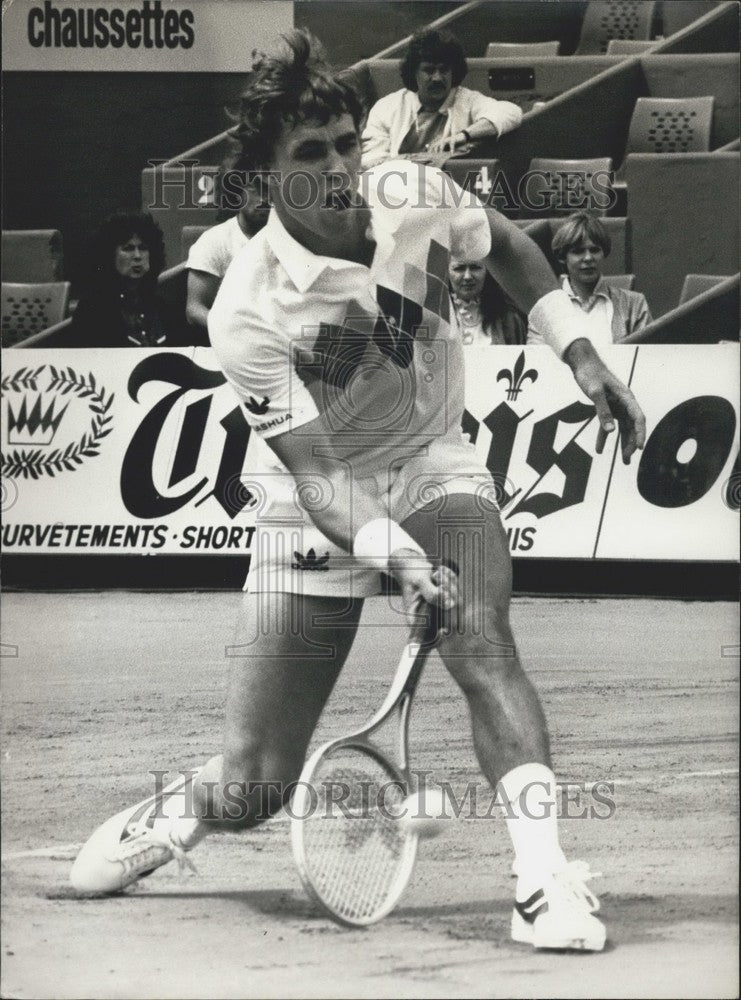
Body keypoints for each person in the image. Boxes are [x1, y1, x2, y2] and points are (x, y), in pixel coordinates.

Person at [71, 31, 646, 953]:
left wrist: (580, 354)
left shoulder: (409, 191)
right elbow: (319, 478)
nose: (340, 168)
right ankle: (181, 811)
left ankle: (542, 880)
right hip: (317, 496)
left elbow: (505, 245)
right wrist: (398, 559)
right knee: (257, 781)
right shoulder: (248, 306)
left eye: (346, 143)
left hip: (431, 461)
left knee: (481, 640)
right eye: (311, 153)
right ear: (263, 177)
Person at [361, 28, 523, 168]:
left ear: (454, 72)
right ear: (413, 72)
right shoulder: (386, 107)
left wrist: (464, 135)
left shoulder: (467, 99)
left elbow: (511, 112)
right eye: (429, 70)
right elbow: (371, 160)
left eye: (444, 70)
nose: (437, 78)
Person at [528, 212, 652, 347]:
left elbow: (647, 355)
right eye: (578, 251)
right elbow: (536, 357)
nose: (588, 258)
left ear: (604, 253)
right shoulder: (545, 309)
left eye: (594, 250)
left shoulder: (634, 304)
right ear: (563, 257)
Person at [70, 210, 183, 347]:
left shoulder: (161, 307)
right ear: (109, 254)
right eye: (128, 248)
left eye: (143, 248)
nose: (137, 256)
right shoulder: (92, 308)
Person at [185, 153, 270, 335]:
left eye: (267, 189)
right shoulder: (214, 240)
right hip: (231, 340)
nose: (263, 198)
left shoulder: (291, 237)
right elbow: (194, 309)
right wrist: (232, 332)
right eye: (254, 188)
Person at [449, 258, 527, 345]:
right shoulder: (437, 316)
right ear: (447, 272)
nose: (468, 276)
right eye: (459, 268)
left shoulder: (509, 320)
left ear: (487, 271)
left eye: (475, 267)